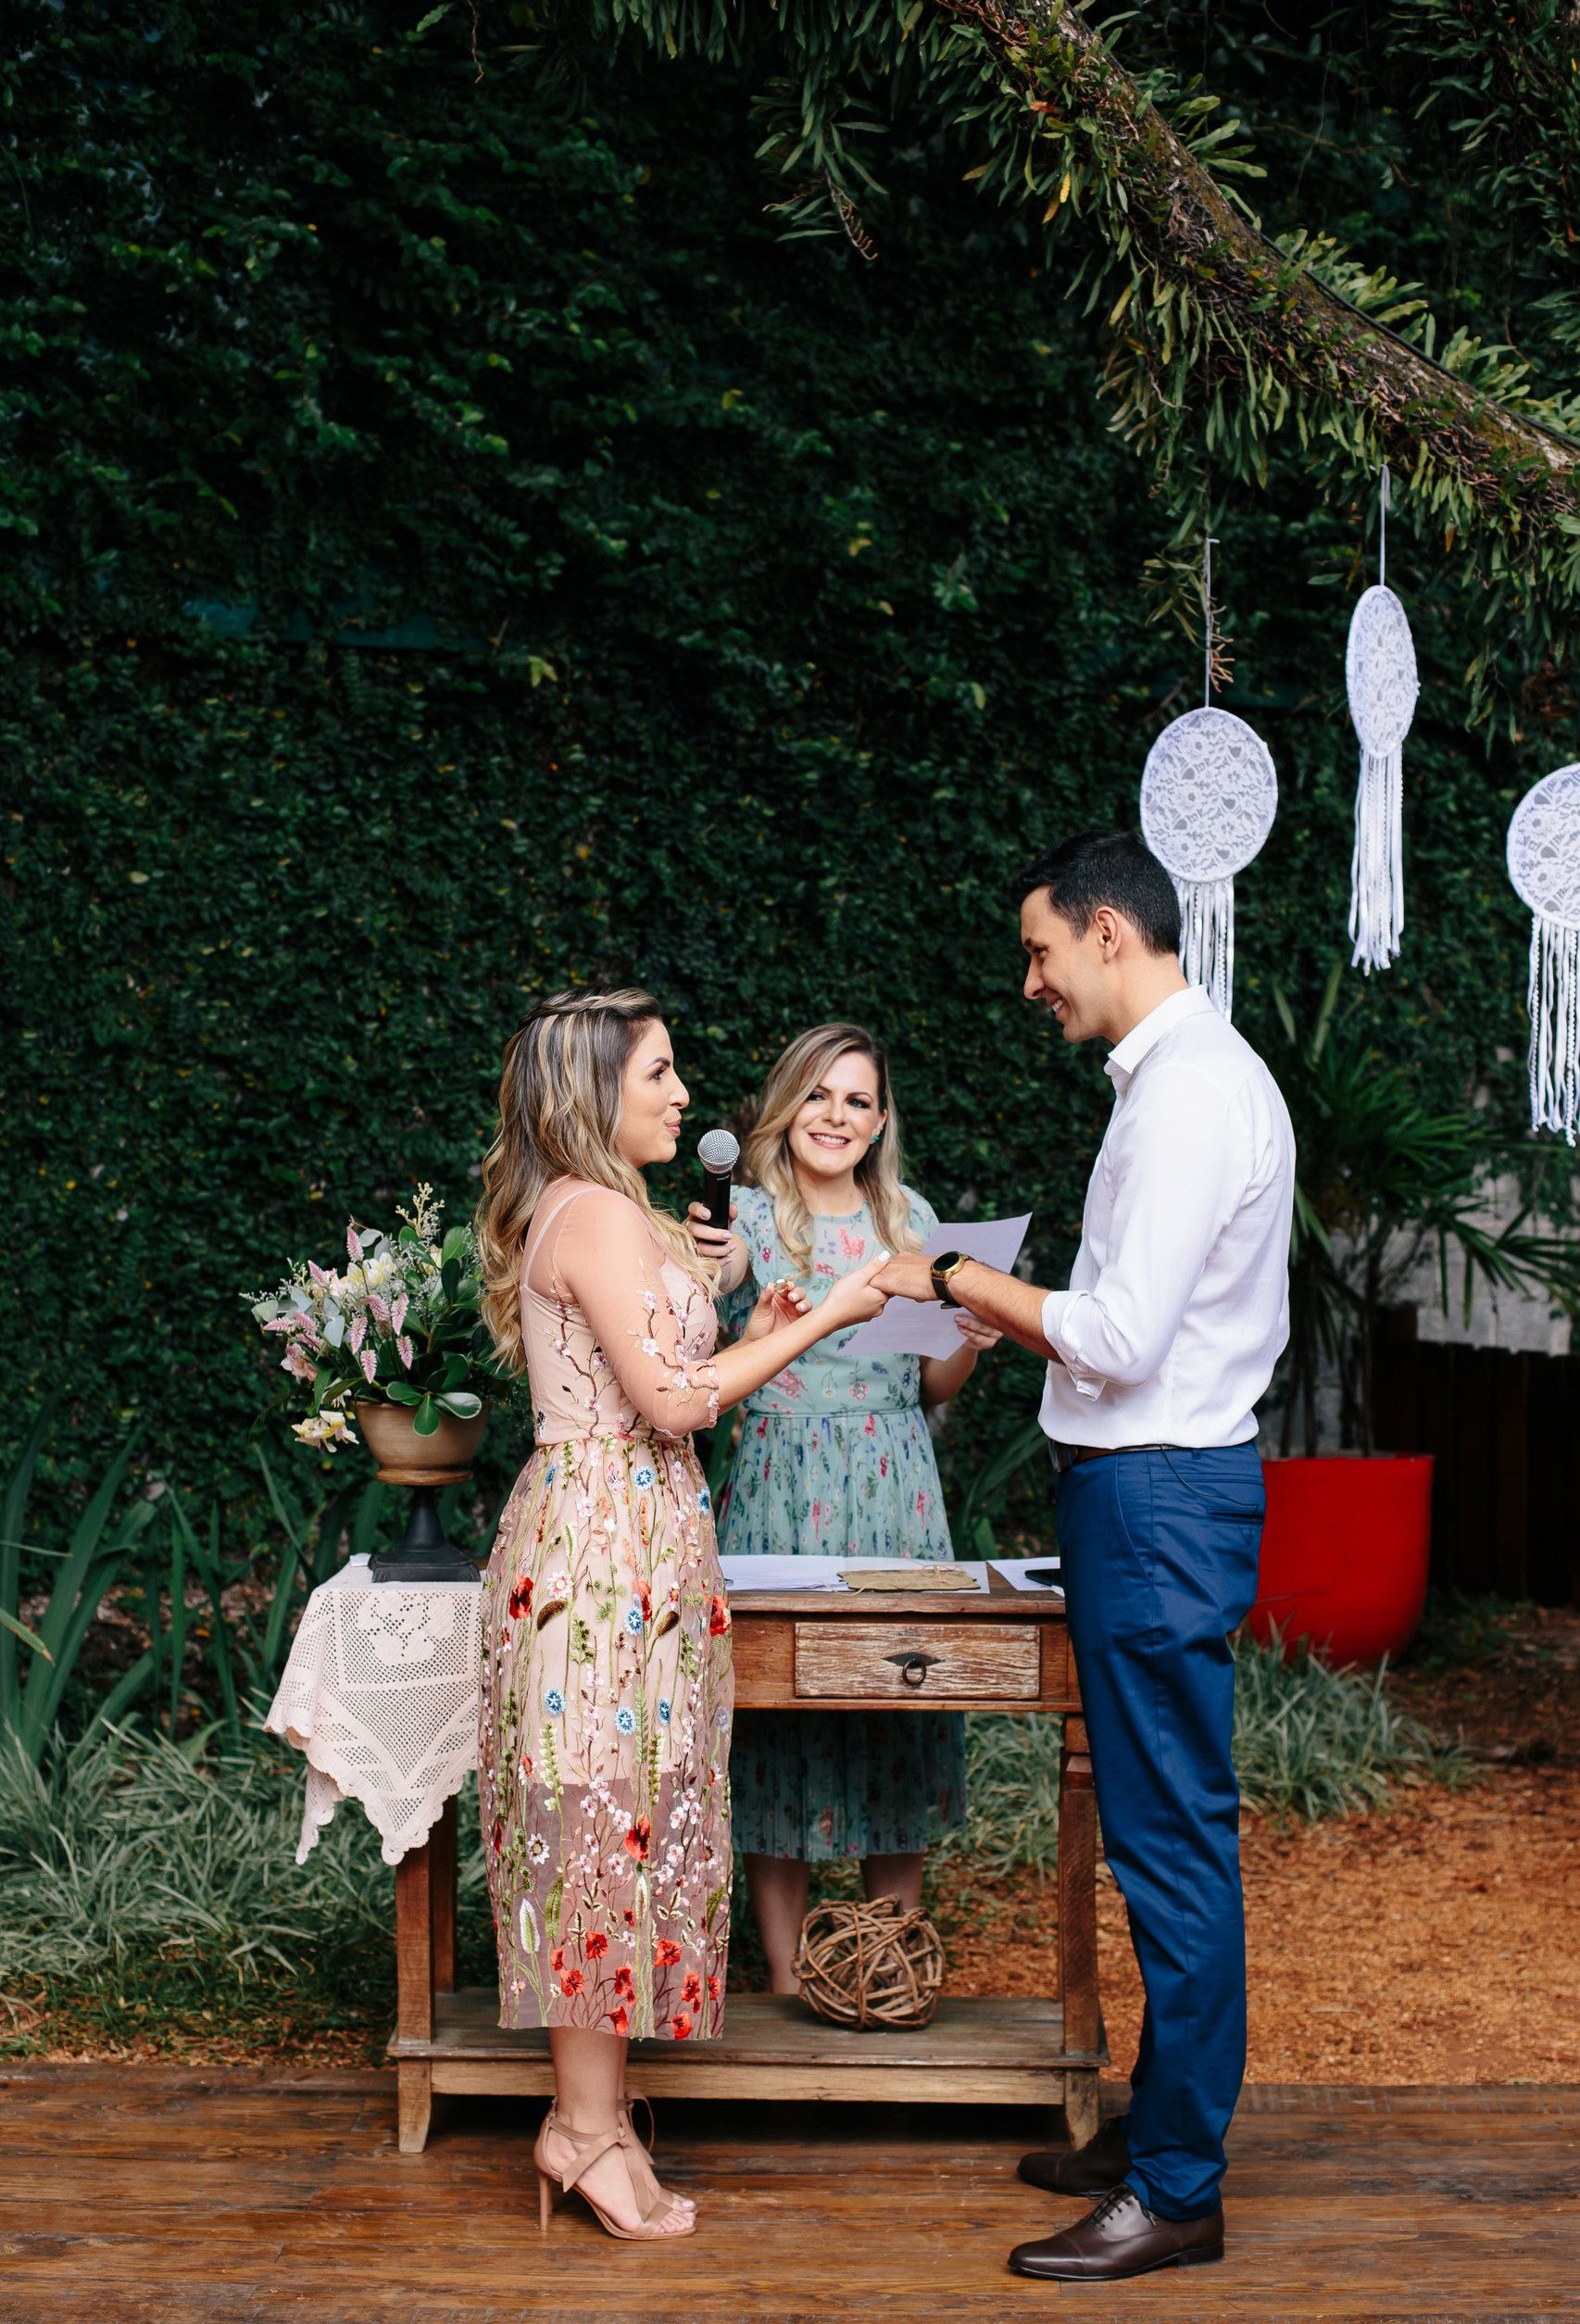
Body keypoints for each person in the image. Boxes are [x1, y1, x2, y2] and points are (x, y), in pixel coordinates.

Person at [870, 832, 1295, 2284]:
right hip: (1152, 1493)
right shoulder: (1180, 1084)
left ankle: (1176, 2190)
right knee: (1152, 1832)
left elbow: (1117, 1341)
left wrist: (944, 1278)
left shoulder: (1186, 1098)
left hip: (1159, 1496)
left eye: (1041, 950)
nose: (1030, 981)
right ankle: (1151, 2136)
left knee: (1171, 1842)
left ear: (1111, 933)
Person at [474, 986, 888, 2242]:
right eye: (656, 1073)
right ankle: (582, 2131)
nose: (680, 1094)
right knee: (595, 1827)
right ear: (591, 1090)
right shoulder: (591, 1212)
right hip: (599, 1554)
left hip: (640, 1545)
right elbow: (671, 1401)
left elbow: (670, 1363)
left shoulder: (621, 1213)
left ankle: (595, 2122)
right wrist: (821, 1317)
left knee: (627, 1823)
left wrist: (750, 1316)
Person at [685, 1023, 1000, 1991]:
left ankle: (888, 1965)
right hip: (778, 1485)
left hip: (894, 1488)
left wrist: (970, 1337)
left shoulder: (911, 1218)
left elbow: (931, 1385)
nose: (835, 1115)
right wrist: (715, 1266)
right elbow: (711, 1305)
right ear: (787, 1105)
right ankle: (786, 1977)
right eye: (818, 1094)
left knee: (897, 1710)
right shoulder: (739, 1214)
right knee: (779, 1723)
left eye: (856, 1100)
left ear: (878, 1120)